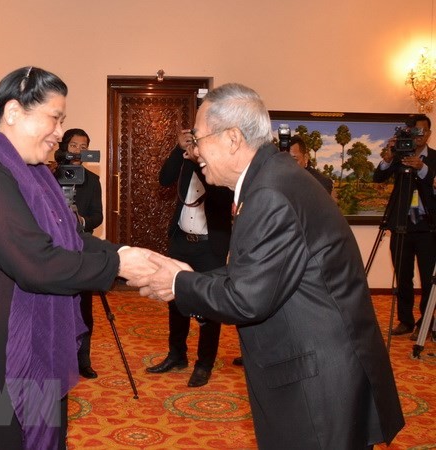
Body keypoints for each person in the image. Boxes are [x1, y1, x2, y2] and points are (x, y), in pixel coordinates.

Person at [130, 83, 404, 448]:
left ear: (231, 138)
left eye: (198, 139)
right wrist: (188, 278)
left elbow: (247, 297)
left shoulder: (269, 193)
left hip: (318, 386)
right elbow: (257, 272)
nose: (194, 152)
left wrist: (178, 282)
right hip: (321, 368)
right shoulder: (272, 178)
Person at [0, 66, 155, 450]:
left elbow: (70, 238)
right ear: (13, 112)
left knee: (36, 433)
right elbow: (37, 263)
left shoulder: (30, 174)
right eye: (54, 118)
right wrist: (120, 266)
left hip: (22, 328)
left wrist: (126, 252)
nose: (60, 133)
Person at [146, 128, 232, 387]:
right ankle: (176, 354)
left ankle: (204, 364)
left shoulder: (218, 165)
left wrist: (199, 160)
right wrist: (177, 149)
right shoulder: (184, 157)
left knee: (210, 305)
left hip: (210, 246)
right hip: (182, 240)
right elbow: (164, 179)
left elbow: (220, 195)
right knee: (176, 299)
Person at [372, 114, 436, 340]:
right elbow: (378, 177)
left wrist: (422, 168)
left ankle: (426, 322)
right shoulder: (399, 155)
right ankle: (405, 321)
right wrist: (389, 157)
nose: (417, 136)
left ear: (428, 133)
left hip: (428, 229)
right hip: (401, 225)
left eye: (421, 132)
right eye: (413, 132)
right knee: (403, 277)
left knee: (429, 280)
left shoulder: (434, 159)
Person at [55, 128, 103, 379]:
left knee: (84, 308)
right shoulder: (49, 176)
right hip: (53, 251)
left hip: (81, 250)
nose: (78, 151)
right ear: (64, 146)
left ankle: (83, 359)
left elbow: (98, 216)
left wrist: (80, 220)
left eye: (84, 146)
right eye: (74, 145)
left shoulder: (92, 181)